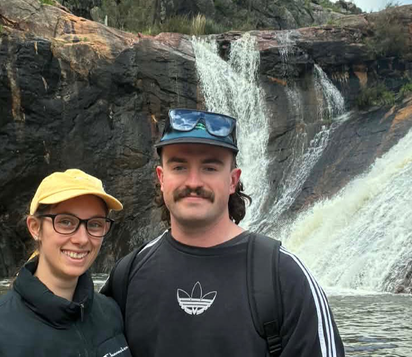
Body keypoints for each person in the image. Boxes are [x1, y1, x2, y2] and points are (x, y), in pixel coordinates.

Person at [102, 108, 344, 357]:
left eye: (210, 168)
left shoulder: (285, 276)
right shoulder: (127, 275)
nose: (193, 182)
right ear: (161, 178)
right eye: (179, 167)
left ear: (232, 181)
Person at [0, 169, 132, 357]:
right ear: (35, 228)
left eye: (95, 224)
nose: (82, 239)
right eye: (66, 222)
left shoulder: (111, 313)